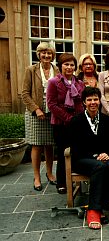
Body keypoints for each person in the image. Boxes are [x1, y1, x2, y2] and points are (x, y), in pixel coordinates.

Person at [69, 87, 109, 230]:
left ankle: (102, 206)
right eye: (89, 100)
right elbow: (75, 147)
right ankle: (93, 211)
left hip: (101, 157)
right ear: (84, 102)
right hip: (82, 159)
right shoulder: (76, 120)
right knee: (100, 166)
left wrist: (105, 153)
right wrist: (96, 156)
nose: (93, 102)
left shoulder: (106, 120)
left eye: (95, 99)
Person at [21, 42, 59, 191]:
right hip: (35, 113)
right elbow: (25, 93)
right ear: (38, 54)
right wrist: (36, 109)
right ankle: (37, 177)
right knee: (36, 145)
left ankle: (50, 173)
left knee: (49, 145)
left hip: (52, 112)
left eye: (49, 53)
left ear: (52, 55)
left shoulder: (56, 70)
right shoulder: (31, 70)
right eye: (43, 53)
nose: (46, 55)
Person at [47, 53, 85, 194]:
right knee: (63, 153)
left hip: (77, 124)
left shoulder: (79, 83)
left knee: (77, 151)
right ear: (60, 66)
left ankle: (75, 179)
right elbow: (51, 104)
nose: (69, 67)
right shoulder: (53, 82)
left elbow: (81, 103)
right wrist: (69, 118)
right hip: (60, 124)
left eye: (71, 65)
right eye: (66, 64)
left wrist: (79, 119)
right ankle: (62, 182)